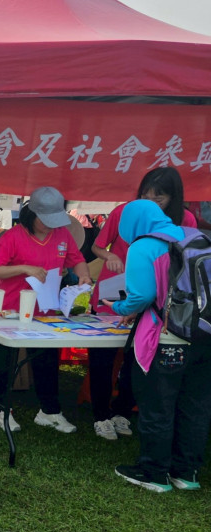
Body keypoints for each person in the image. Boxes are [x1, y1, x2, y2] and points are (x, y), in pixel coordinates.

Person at [110, 200, 211, 493]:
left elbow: (140, 297)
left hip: (168, 336)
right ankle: (187, 472)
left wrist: (118, 306)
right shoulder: (197, 237)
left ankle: (153, 473)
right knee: (196, 406)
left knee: (158, 405)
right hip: (205, 336)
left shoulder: (143, 246)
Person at [88, 167, 197, 441]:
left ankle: (122, 410)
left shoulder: (185, 220)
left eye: (158, 198)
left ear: (173, 198)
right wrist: (109, 256)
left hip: (155, 306)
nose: (149, 203)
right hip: (114, 293)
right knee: (102, 358)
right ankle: (100, 415)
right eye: (145, 195)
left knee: (138, 360)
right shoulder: (123, 211)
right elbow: (98, 247)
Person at [0, 187, 92, 436]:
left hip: (46, 309)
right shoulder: (13, 237)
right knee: (4, 361)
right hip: (10, 309)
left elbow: (76, 259)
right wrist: (24, 268)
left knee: (46, 360)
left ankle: (49, 411)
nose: (50, 227)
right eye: (46, 221)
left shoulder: (62, 234)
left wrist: (83, 275)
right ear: (32, 215)